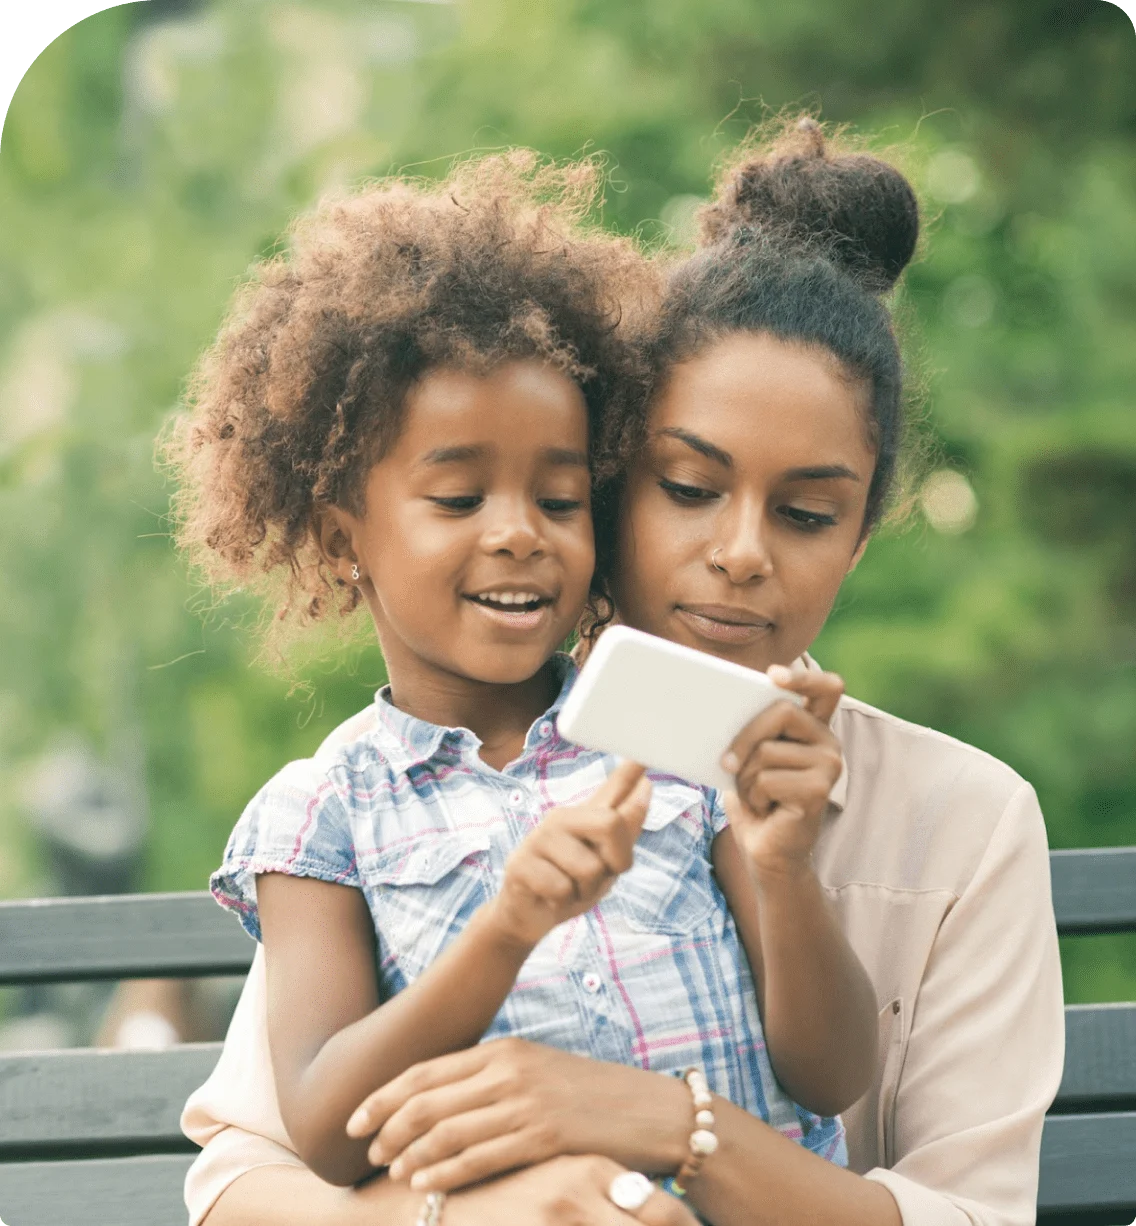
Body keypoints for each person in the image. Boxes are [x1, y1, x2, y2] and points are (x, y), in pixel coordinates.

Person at [181, 120, 1065, 1226]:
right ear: (610, 483)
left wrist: (661, 1122)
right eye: (687, 487)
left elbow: (916, 1160)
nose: (741, 551)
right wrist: (493, 1208)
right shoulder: (370, 800)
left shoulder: (949, 818)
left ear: (858, 536)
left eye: (803, 513)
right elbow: (249, 1172)